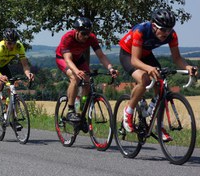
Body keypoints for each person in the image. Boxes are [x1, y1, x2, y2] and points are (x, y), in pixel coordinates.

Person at [119, 9, 197, 140]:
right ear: (154, 26)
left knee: (160, 84)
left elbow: (177, 58)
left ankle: (157, 124)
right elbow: (135, 60)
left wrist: (187, 66)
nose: (166, 33)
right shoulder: (140, 31)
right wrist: (148, 69)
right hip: (128, 55)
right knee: (144, 80)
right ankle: (129, 110)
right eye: (163, 29)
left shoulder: (171, 35)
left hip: (146, 54)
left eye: (169, 30)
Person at [55, 17, 117, 122]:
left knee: (88, 82)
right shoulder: (67, 38)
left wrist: (110, 68)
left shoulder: (91, 38)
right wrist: (76, 71)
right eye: (83, 33)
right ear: (76, 31)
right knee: (75, 78)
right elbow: (68, 60)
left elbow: (101, 56)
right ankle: (70, 110)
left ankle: (81, 109)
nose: (86, 36)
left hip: (78, 59)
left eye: (88, 33)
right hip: (63, 59)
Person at [0, 28, 34, 120]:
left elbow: (25, 65)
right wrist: (0, 76)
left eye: (13, 43)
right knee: (0, 83)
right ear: (4, 41)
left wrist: (28, 73)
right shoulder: (0, 48)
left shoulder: (19, 47)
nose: (11, 46)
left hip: (4, 66)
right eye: (9, 43)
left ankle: (7, 112)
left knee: (12, 86)